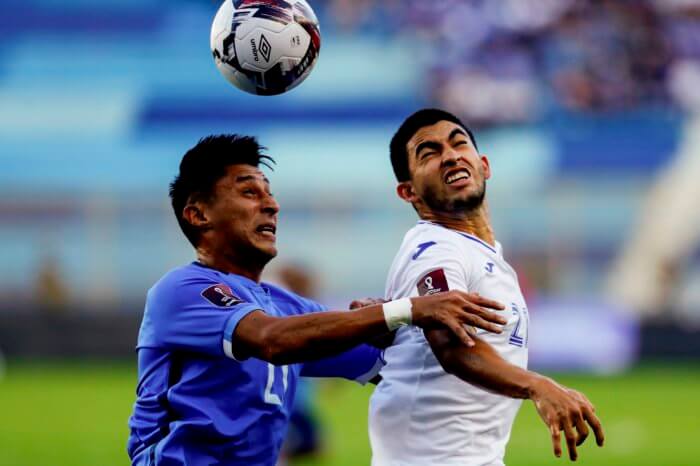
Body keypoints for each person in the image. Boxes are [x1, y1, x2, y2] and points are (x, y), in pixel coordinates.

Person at [126, 134, 508, 466]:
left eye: (269, 193)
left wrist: (396, 330)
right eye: (248, 192)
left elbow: (395, 365)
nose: (271, 205)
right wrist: (403, 310)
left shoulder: (286, 306)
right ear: (198, 214)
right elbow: (272, 340)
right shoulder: (180, 291)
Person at [367, 109, 605, 465]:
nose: (449, 155)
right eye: (429, 153)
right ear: (408, 192)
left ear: (484, 165)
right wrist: (538, 385)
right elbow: (452, 348)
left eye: (458, 143)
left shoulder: (485, 255)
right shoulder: (436, 249)